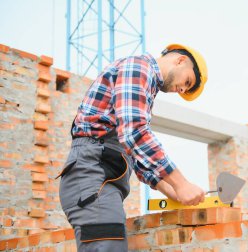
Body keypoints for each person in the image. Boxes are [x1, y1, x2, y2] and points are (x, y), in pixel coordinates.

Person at [57, 43, 208, 251]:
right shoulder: (139, 68)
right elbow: (135, 134)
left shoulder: (145, 85)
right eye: (187, 82)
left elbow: (137, 158)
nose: (181, 89)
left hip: (101, 180)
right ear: (180, 60)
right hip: (92, 178)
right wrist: (181, 184)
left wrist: (172, 191)